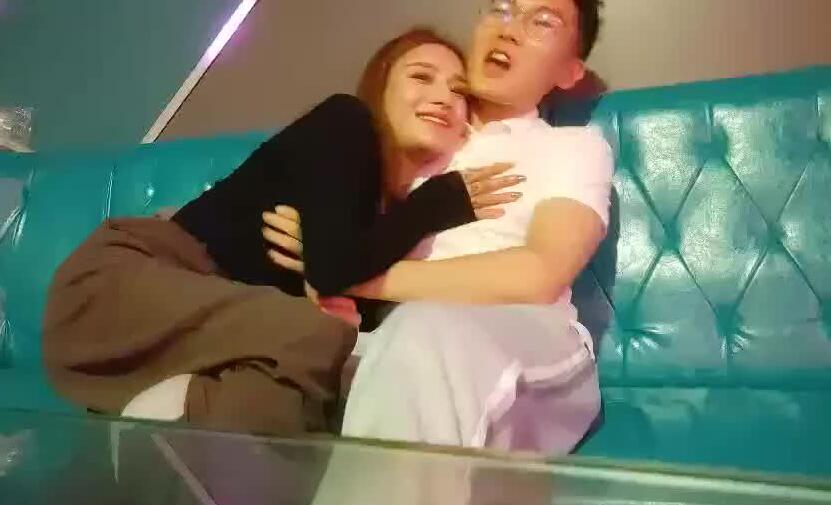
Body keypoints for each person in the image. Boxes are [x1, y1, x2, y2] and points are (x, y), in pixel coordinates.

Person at [41, 29, 522, 436]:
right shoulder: (347, 123)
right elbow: (335, 269)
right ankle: (170, 419)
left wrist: (336, 265)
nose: (444, 97)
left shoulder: (388, 225)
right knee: (319, 337)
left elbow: (340, 280)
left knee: (297, 403)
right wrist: (436, 203)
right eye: (421, 76)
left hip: (198, 349)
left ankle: (161, 428)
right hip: (117, 287)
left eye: (459, 91)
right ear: (380, 89)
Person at [264, 0, 612, 454]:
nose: (509, 29)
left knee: (424, 332)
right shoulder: (416, 139)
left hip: (530, 338)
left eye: (543, 22)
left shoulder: (572, 146)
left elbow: (540, 273)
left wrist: (342, 269)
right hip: (393, 342)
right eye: (501, 9)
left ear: (568, 72)